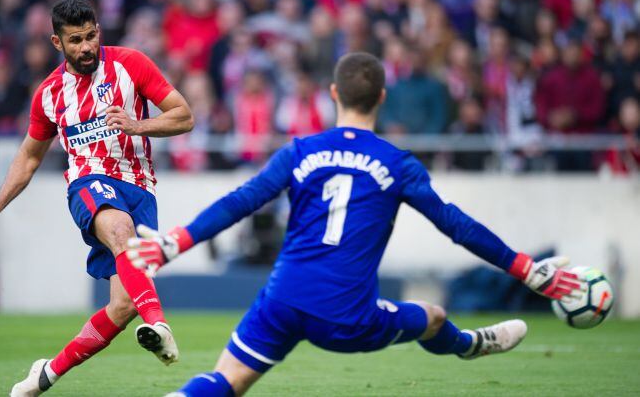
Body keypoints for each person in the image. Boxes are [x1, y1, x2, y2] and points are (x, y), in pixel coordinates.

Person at [124, 53, 587, 396]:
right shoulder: (398, 164)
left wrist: (175, 242)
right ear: (382, 99)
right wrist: (526, 268)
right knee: (433, 317)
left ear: (333, 94)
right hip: (347, 316)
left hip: (282, 300)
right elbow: (457, 226)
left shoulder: (300, 151)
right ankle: (467, 344)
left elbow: (242, 200)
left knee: (227, 381)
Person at [0, 0, 194, 396]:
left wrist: (138, 126)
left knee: (123, 307)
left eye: (91, 37)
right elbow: (29, 157)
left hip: (140, 189)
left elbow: (183, 115)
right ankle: (159, 322)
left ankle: (44, 375)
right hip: (89, 182)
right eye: (76, 40)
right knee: (119, 228)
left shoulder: (131, 64)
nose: (86, 47)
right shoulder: (50, 94)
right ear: (58, 43)